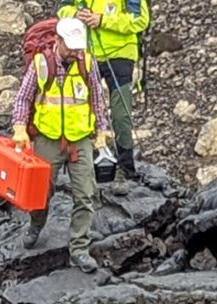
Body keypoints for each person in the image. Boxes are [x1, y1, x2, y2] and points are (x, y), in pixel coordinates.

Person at [10, 16, 113, 271]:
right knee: (41, 193)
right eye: (70, 47)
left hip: (80, 140)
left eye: (78, 47)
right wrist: (20, 128)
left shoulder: (86, 63)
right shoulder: (41, 64)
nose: (74, 52)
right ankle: (36, 225)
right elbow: (23, 98)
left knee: (85, 194)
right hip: (49, 139)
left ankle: (79, 248)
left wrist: (102, 132)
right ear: (58, 40)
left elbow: (97, 100)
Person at [57, 0, 150, 180]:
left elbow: (140, 19)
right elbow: (62, 10)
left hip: (121, 54)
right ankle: (82, 162)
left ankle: (125, 168)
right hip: (86, 54)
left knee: (120, 114)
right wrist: (75, 15)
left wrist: (103, 20)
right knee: (80, 108)